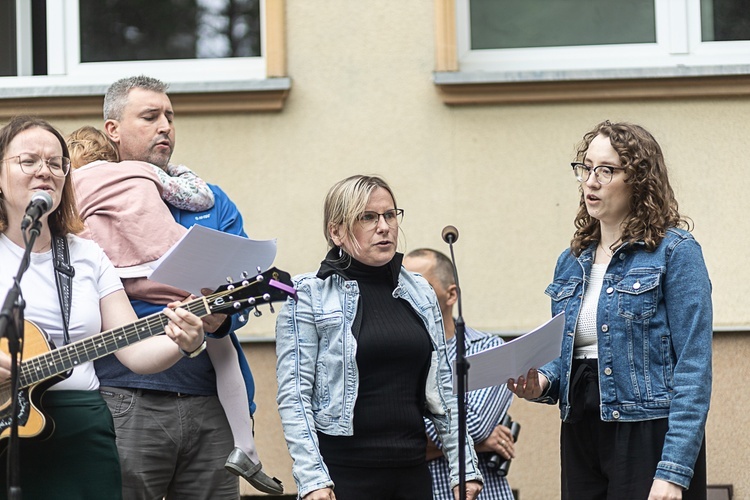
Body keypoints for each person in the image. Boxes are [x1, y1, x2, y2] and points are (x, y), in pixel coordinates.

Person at [90, 75, 280, 499]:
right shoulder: (93, 197)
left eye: (170, 117)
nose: (165, 126)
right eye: (150, 116)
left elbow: (244, 289)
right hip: (124, 395)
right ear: (113, 129)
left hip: (210, 400)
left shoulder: (211, 201)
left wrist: (222, 315)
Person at [0, 116, 205, 499]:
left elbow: (135, 350)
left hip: (83, 432)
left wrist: (184, 340)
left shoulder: (88, 255)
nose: (46, 171)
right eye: (29, 161)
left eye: (57, 162)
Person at [508, 121, 712, 500]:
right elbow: (568, 354)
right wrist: (542, 382)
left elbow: (694, 367)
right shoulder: (570, 262)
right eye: (585, 168)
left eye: (606, 170)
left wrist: (673, 470)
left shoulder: (676, 253)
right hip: (581, 430)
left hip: (647, 430)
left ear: (638, 179)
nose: (590, 181)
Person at [275, 174, 483, 500]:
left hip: (412, 471)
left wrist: (464, 469)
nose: (384, 226)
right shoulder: (307, 295)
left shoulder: (420, 292)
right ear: (336, 231)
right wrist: (312, 478)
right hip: (345, 476)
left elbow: (444, 391)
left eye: (390, 215)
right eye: (368, 217)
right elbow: (295, 398)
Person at [403, 248, 516, 500]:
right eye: (403, 285)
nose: (408, 295)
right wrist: (478, 445)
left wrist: (426, 439)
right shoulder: (396, 355)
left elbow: (473, 426)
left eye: (420, 285)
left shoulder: (489, 348)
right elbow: (388, 441)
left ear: (451, 294)